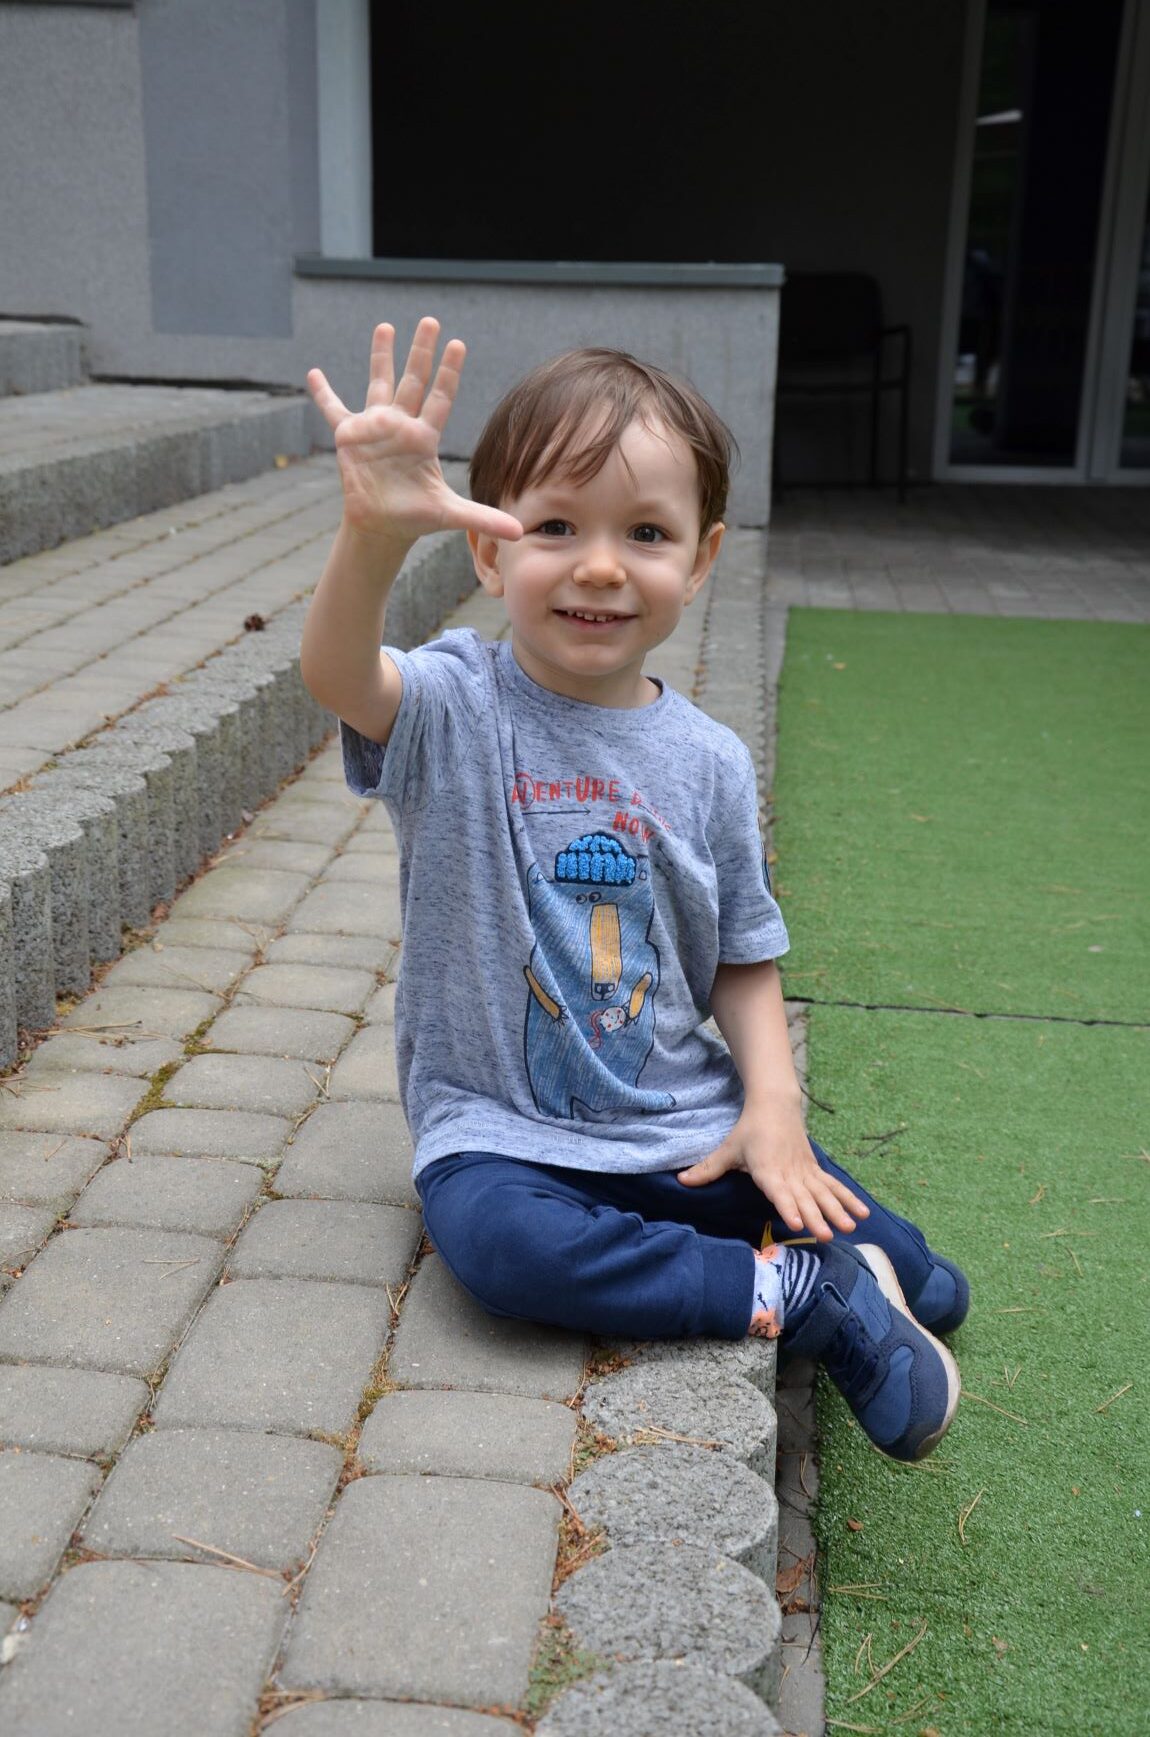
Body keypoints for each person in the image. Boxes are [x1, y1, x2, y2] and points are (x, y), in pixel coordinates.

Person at [300, 318, 968, 1463]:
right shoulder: (456, 706)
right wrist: (370, 535)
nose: (601, 565)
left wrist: (773, 1109)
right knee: (506, 1256)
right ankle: (798, 1294)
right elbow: (337, 673)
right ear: (489, 551)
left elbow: (741, 956)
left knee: (927, 1280)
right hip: (502, 1138)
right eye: (556, 526)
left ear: (701, 560)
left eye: (645, 533)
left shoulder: (708, 761)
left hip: (680, 1127)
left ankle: (864, 1272)